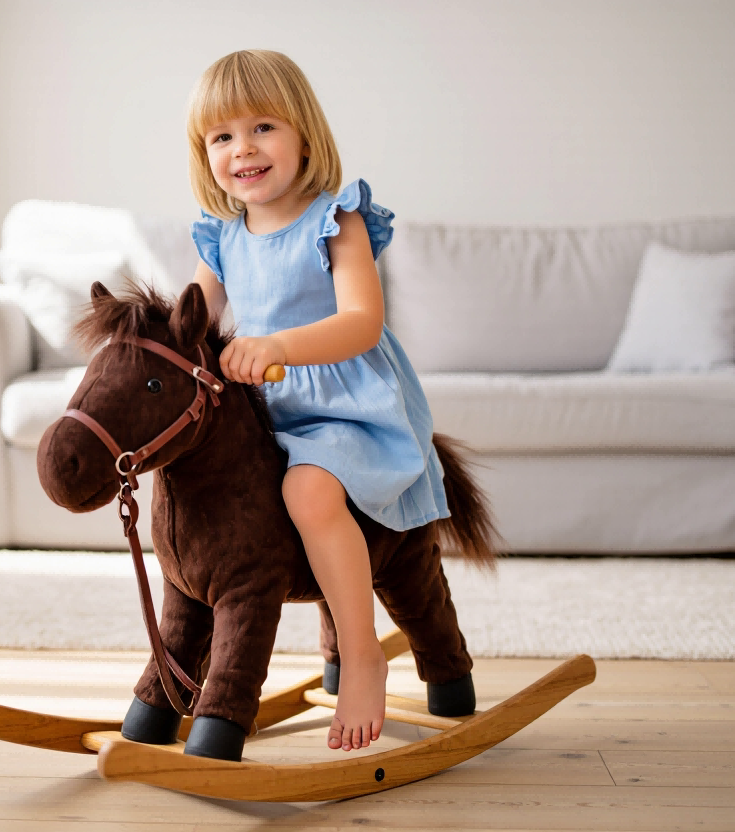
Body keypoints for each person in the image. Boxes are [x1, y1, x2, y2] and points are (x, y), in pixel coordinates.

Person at [186, 50, 450, 752]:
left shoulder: (337, 219)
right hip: (267, 418)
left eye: (263, 127)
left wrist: (276, 346)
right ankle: (188, 677)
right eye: (222, 136)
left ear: (304, 134)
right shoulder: (221, 240)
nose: (243, 148)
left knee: (307, 494)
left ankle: (362, 653)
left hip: (346, 410)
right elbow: (192, 328)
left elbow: (362, 322)